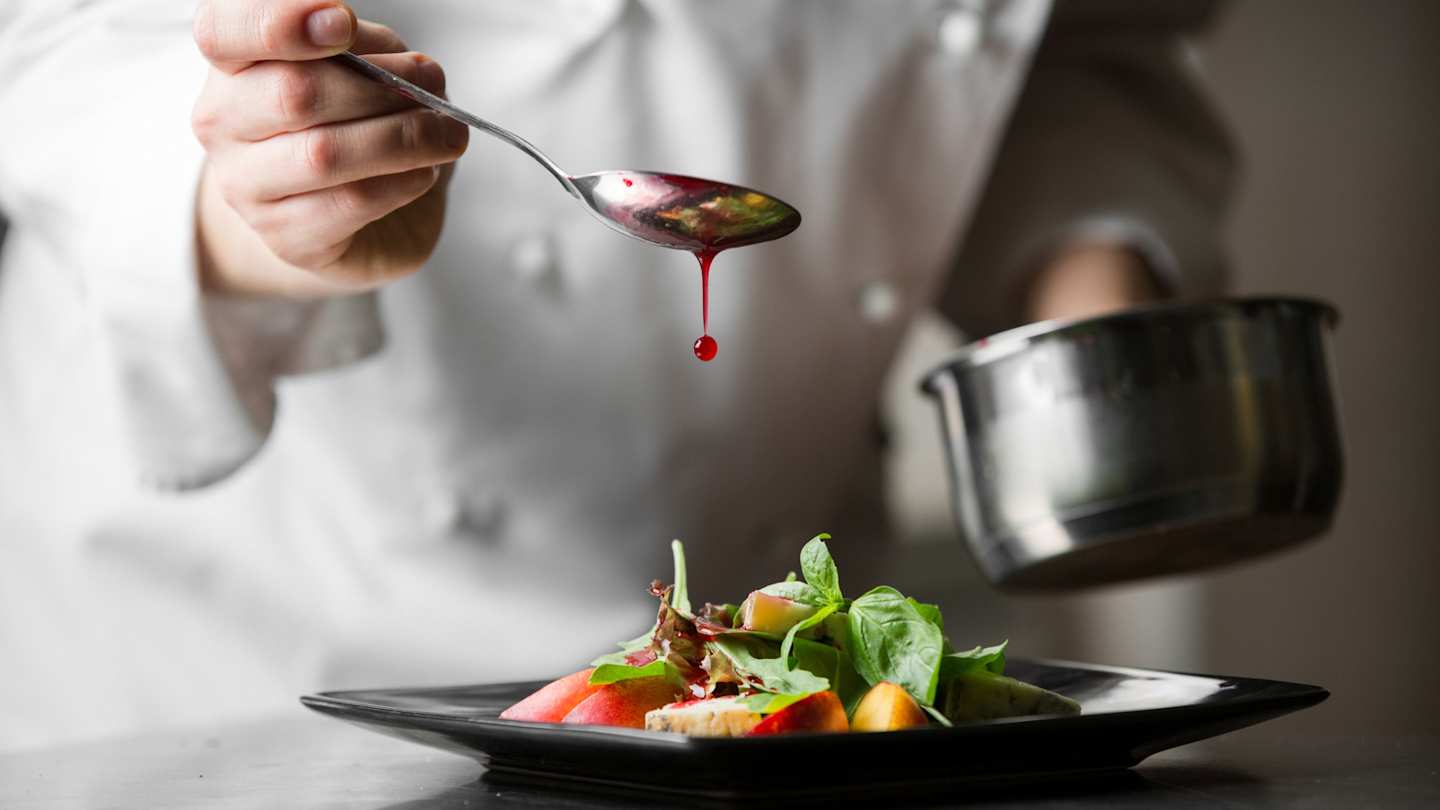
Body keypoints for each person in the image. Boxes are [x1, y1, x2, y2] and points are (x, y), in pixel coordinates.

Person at [0, 0, 1233, 751]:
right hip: (251, 640)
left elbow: (1071, 45)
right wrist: (267, 189)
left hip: (782, 679)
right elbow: (56, 35)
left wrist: (1096, 311)